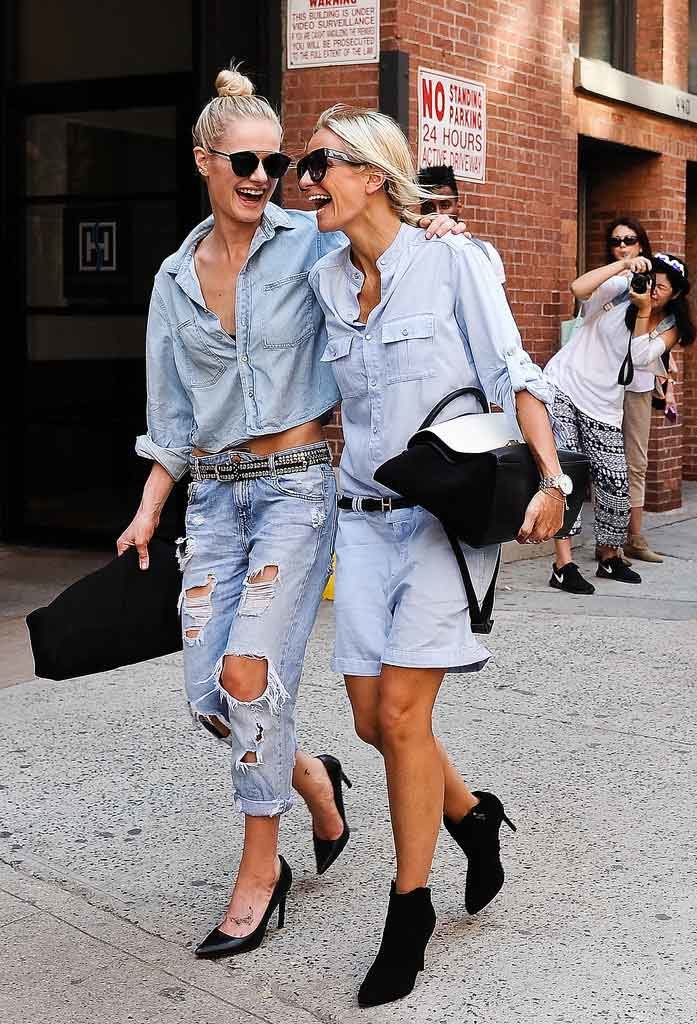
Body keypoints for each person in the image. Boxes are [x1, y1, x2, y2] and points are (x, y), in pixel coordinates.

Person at [116, 69, 465, 961]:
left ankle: (259, 873)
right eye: (246, 160)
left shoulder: (309, 244)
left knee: (247, 677)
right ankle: (313, 780)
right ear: (205, 160)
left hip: (295, 492)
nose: (265, 176)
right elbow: (170, 420)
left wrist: (432, 231)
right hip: (212, 498)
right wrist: (149, 511)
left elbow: (383, 247)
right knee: (210, 696)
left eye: (276, 161)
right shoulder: (172, 278)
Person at [299, 104, 565, 1007]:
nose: (304, 182)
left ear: (372, 174)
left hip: (442, 523)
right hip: (360, 520)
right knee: (372, 723)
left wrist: (552, 481)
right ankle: (472, 817)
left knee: (403, 715)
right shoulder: (325, 278)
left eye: (318, 164)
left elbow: (513, 373)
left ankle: (406, 913)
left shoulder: (453, 262)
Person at [544, 245, 692, 594]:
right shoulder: (620, 287)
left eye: (661, 287)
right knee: (568, 475)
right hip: (564, 384)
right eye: (651, 281)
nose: (652, 290)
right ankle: (563, 565)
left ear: (675, 294)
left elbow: (640, 358)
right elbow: (578, 288)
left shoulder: (670, 325)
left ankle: (609, 556)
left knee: (615, 481)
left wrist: (643, 312)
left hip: (605, 402)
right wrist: (623, 265)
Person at [603, 219, 663, 562]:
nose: (623, 246)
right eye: (616, 241)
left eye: (629, 240)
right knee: (605, 461)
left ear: (641, 244)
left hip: (637, 380)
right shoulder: (607, 281)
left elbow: (662, 328)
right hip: (602, 382)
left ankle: (634, 538)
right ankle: (608, 541)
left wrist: (665, 378)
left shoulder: (654, 281)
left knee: (635, 461)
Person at [418, 164, 507, 289]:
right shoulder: (412, 252)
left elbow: (501, 300)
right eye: (429, 207)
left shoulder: (484, 252)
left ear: (458, 207)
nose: (437, 214)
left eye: (445, 205)